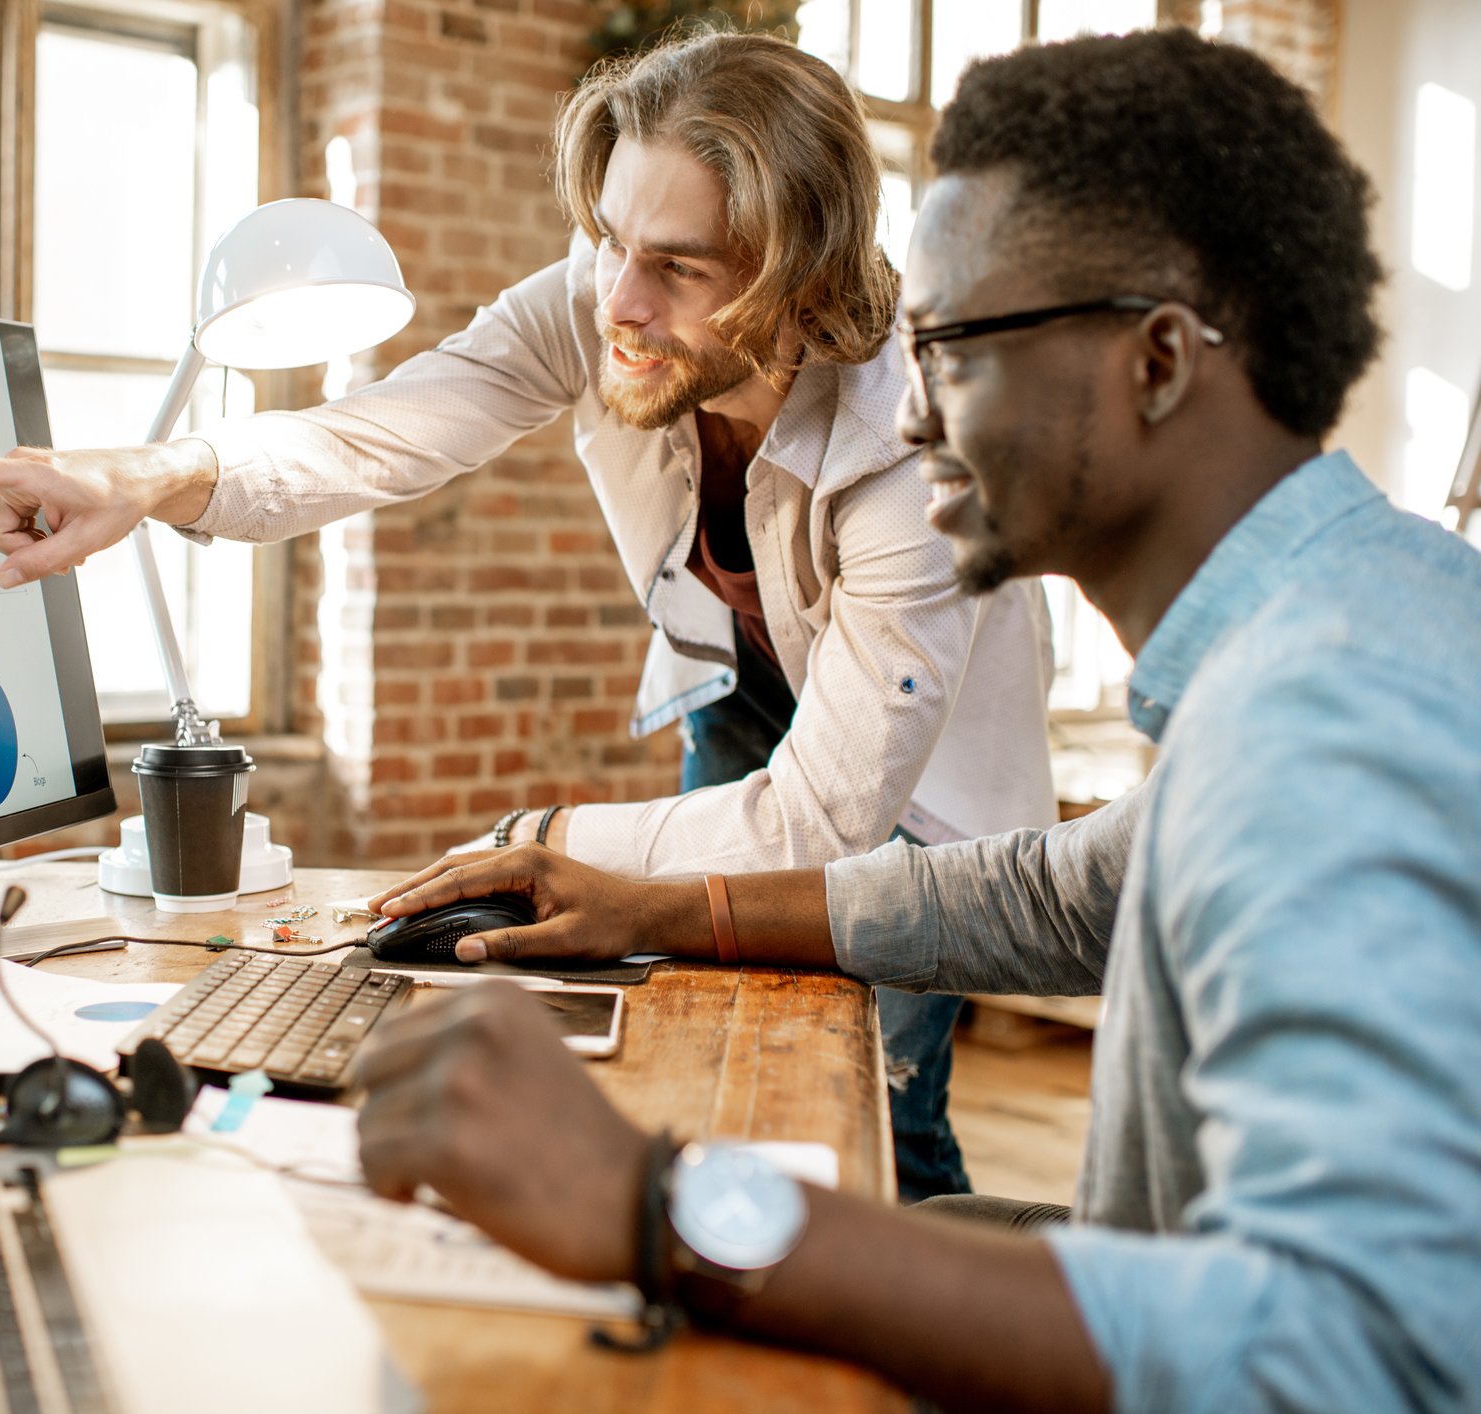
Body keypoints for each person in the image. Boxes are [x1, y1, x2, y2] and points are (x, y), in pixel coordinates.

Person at [350, 28, 1481, 1413]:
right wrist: (648, 906)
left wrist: (655, 1199)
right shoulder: (1336, 624)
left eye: (948, 343)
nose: (908, 412)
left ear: (1156, 360)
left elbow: (1363, 1353)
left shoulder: (1327, 716)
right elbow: (1062, 893)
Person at [0, 30, 1058, 1201]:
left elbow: (822, 822)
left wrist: (539, 837)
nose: (618, 300)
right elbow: (383, 430)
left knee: (872, 1080)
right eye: (609, 239)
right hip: (744, 689)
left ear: (796, 272)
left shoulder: (914, 439)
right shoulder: (600, 295)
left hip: (912, 783)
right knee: (715, 1021)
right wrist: (149, 477)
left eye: (679, 268)